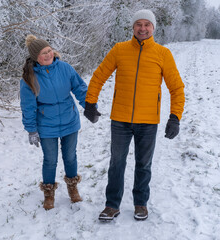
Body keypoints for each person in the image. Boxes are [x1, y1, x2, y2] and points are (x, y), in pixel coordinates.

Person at [84, 9, 185, 221]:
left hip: (148, 121)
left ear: (153, 28)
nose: (142, 28)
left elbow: (176, 88)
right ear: (132, 27)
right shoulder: (119, 50)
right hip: (120, 119)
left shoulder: (162, 54)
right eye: (138, 24)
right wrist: (90, 102)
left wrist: (175, 117)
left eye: (147, 24)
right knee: (116, 164)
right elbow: (99, 75)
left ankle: (141, 203)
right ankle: (112, 205)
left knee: (144, 165)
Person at [20, 35, 89, 210]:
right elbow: (28, 107)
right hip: (46, 125)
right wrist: (31, 130)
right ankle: (49, 193)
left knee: (70, 156)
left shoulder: (65, 68)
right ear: (36, 57)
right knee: (50, 160)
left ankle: (72, 188)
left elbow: (80, 88)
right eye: (43, 53)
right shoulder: (29, 78)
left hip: (69, 120)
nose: (48, 54)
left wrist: (89, 106)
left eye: (49, 50)